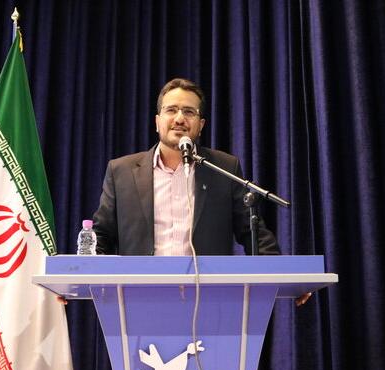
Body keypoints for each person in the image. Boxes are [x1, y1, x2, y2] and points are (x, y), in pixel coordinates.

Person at [91, 78, 311, 306]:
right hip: (139, 301)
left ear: (201, 124)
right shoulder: (122, 171)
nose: (179, 119)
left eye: (189, 112)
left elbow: (252, 232)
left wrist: (287, 278)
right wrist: (75, 280)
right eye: (171, 110)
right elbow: (100, 236)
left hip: (209, 301)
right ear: (157, 121)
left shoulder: (224, 168)